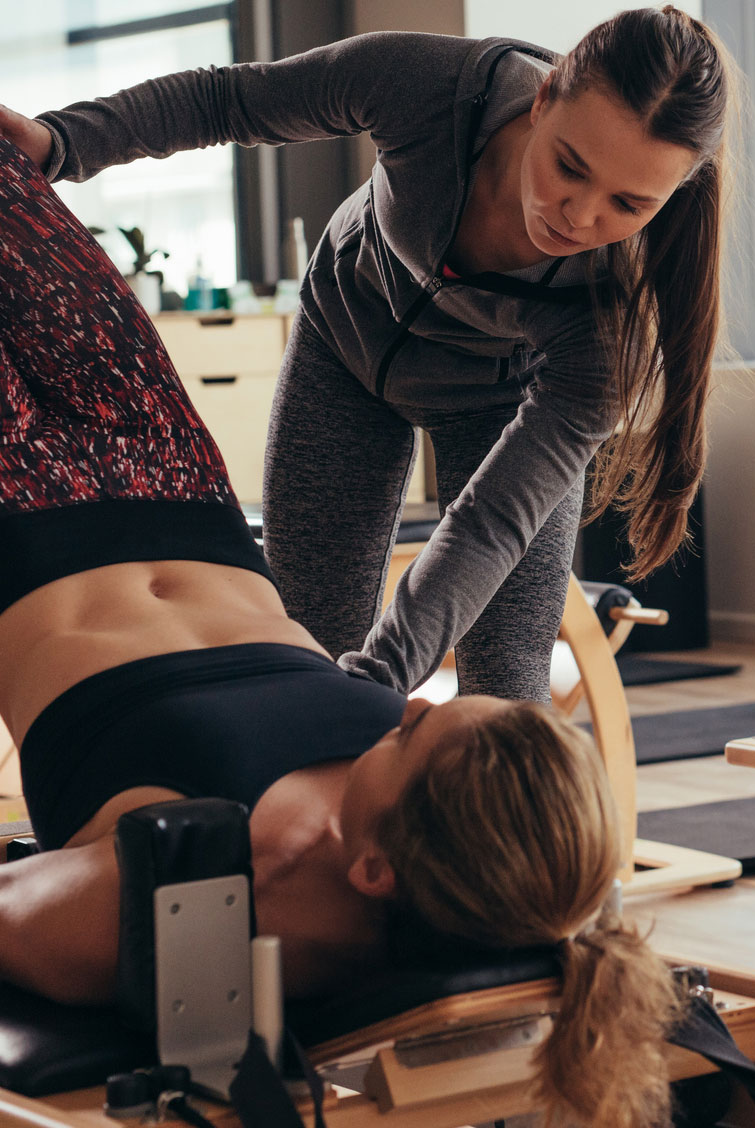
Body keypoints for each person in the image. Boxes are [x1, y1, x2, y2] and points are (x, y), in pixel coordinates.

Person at [0, 138, 678, 1128]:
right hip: (183, 492)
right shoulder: (470, 838)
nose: (402, 702)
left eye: (407, 734)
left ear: (373, 870)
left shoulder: (195, 897)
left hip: (18, 533)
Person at [0, 5, 734, 704]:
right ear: (543, 99)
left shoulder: (610, 316)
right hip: (342, 352)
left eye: (629, 205)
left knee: (507, 689)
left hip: (500, 404)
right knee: (305, 644)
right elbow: (230, 101)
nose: (579, 215)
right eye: (569, 166)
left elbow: (488, 523)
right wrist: (64, 141)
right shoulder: (432, 87)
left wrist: (379, 679)